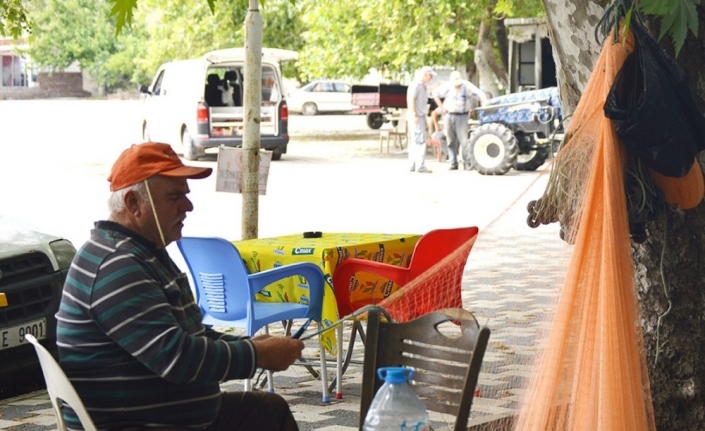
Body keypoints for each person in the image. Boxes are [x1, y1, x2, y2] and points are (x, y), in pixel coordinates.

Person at [55, 142, 304, 431]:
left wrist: (248, 345)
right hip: (136, 424)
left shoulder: (140, 251)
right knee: (264, 414)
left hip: (162, 417)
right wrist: (257, 355)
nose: (188, 206)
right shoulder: (117, 265)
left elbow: (189, 334)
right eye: (174, 197)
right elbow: (177, 358)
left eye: (185, 195)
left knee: (267, 410)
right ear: (133, 204)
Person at [433, 70, 488, 170]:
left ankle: (467, 162)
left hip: (462, 115)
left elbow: (480, 95)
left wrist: (482, 105)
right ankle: (453, 162)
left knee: (464, 141)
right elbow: (435, 93)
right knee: (450, 140)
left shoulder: (467, 86)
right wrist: (441, 107)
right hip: (449, 115)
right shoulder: (446, 86)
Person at [406, 66, 436, 173]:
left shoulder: (421, 86)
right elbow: (411, 99)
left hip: (419, 115)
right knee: (418, 140)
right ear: (425, 74)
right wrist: (414, 114)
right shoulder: (416, 85)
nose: (431, 78)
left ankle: (413, 164)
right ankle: (420, 165)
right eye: (430, 75)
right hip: (417, 115)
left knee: (414, 140)